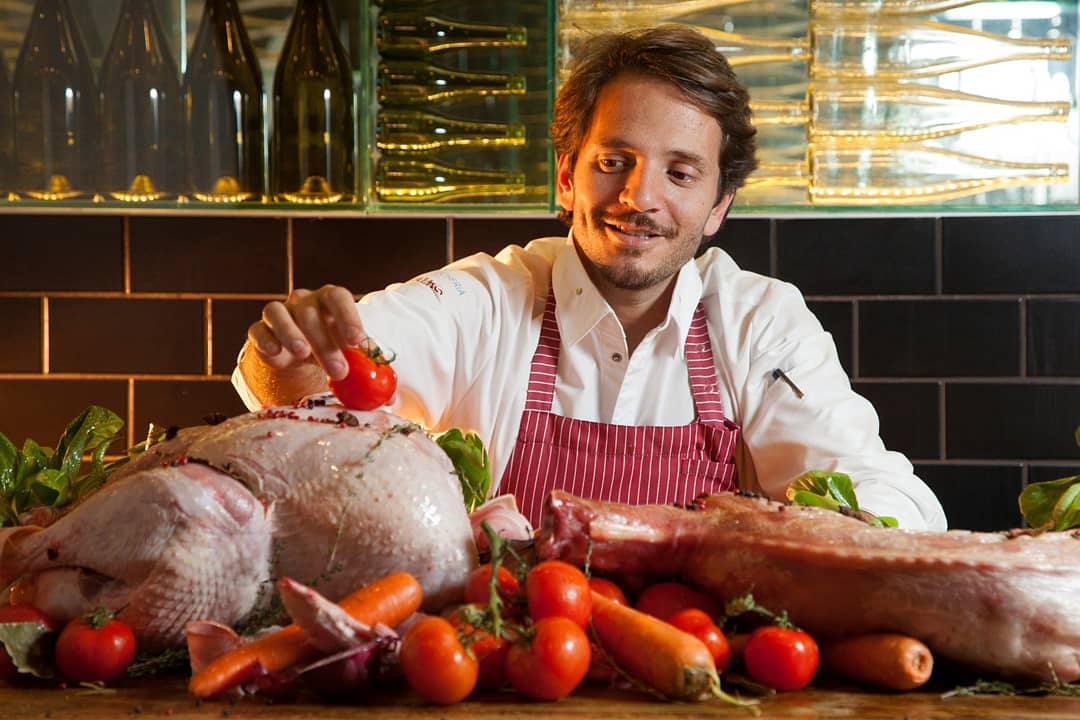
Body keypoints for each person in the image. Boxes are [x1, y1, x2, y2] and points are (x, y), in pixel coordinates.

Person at [234, 24, 947, 532]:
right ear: (568, 177)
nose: (639, 197)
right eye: (613, 162)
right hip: (507, 667)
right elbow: (307, 385)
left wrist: (855, 529)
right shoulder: (486, 300)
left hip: (699, 669)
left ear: (719, 207)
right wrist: (293, 357)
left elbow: (877, 488)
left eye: (680, 173)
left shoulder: (760, 324)